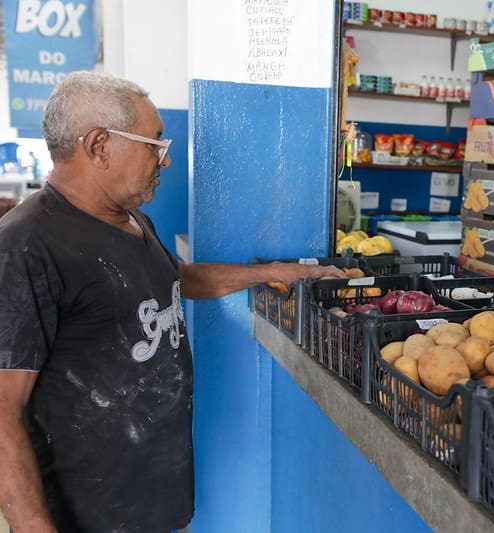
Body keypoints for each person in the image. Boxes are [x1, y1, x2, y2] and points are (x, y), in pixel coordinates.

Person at [0, 71, 346, 532]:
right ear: (100, 145)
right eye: (153, 143)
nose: (163, 160)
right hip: (90, 516)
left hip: (154, 503)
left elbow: (173, 279)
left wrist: (271, 273)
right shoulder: (25, 247)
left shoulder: (130, 220)